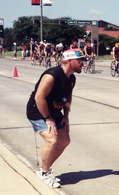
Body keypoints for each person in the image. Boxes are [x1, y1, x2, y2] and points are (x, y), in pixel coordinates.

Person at [26, 48, 85, 188]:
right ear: (70, 61)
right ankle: (45, 173)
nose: (83, 63)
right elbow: (39, 97)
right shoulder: (51, 76)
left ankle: (45, 168)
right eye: (80, 60)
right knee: (53, 139)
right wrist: (48, 118)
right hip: (38, 112)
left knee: (64, 141)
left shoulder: (71, 78)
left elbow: (67, 99)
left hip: (54, 112)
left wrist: (66, 117)